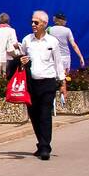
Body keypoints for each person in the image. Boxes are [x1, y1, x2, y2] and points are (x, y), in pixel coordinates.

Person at [19, 10, 67, 161]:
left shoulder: (52, 42)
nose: (33, 25)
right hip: (31, 82)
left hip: (48, 82)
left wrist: (62, 83)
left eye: (36, 22)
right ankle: (41, 143)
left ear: (44, 24)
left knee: (45, 114)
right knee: (34, 115)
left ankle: (45, 147)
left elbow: (58, 63)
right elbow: (20, 59)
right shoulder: (27, 40)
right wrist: (21, 61)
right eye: (32, 22)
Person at [0, 12, 21, 79]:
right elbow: (14, 44)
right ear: (8, 21)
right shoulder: (11, 31)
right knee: (6, 79)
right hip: (6, 59)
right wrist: (19, 49)